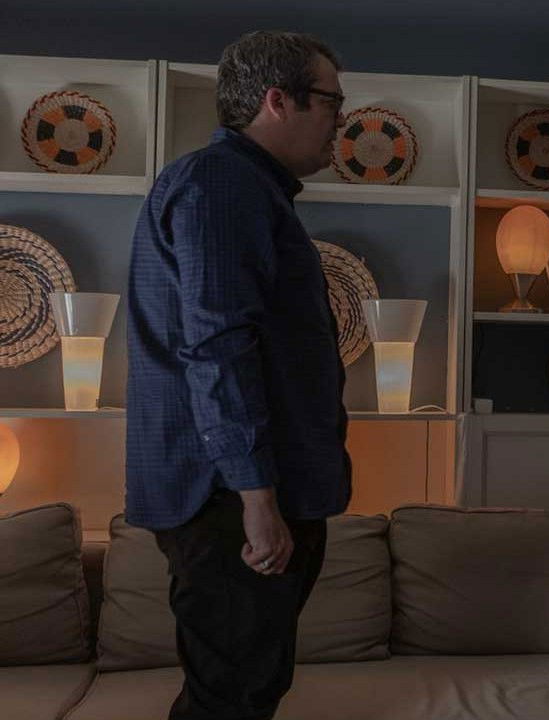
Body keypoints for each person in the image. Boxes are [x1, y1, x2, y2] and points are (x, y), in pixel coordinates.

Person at [125, 31, 351, 720]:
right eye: (331, 101)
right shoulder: (222, 184)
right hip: (229, 496)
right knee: (229, 703)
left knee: (246, 693)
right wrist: (257, 497)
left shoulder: (244, 187)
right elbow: (219, 346)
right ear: (278, 101)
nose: (341, 119)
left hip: (241, 491)